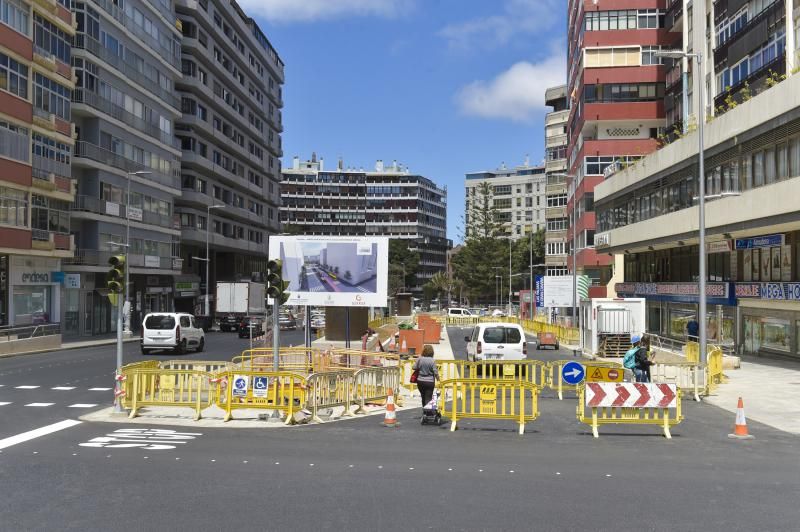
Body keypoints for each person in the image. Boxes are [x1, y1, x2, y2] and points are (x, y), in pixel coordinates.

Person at [413, 344, 438, 411]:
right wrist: (438, 379)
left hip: (420, 381)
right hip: (429, 381)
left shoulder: (420, 359)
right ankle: (428, 412)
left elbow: (414, 367)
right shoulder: (432, 361)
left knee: (423, 396)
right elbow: (435, 372)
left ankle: (424, 411)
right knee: (428, 397)